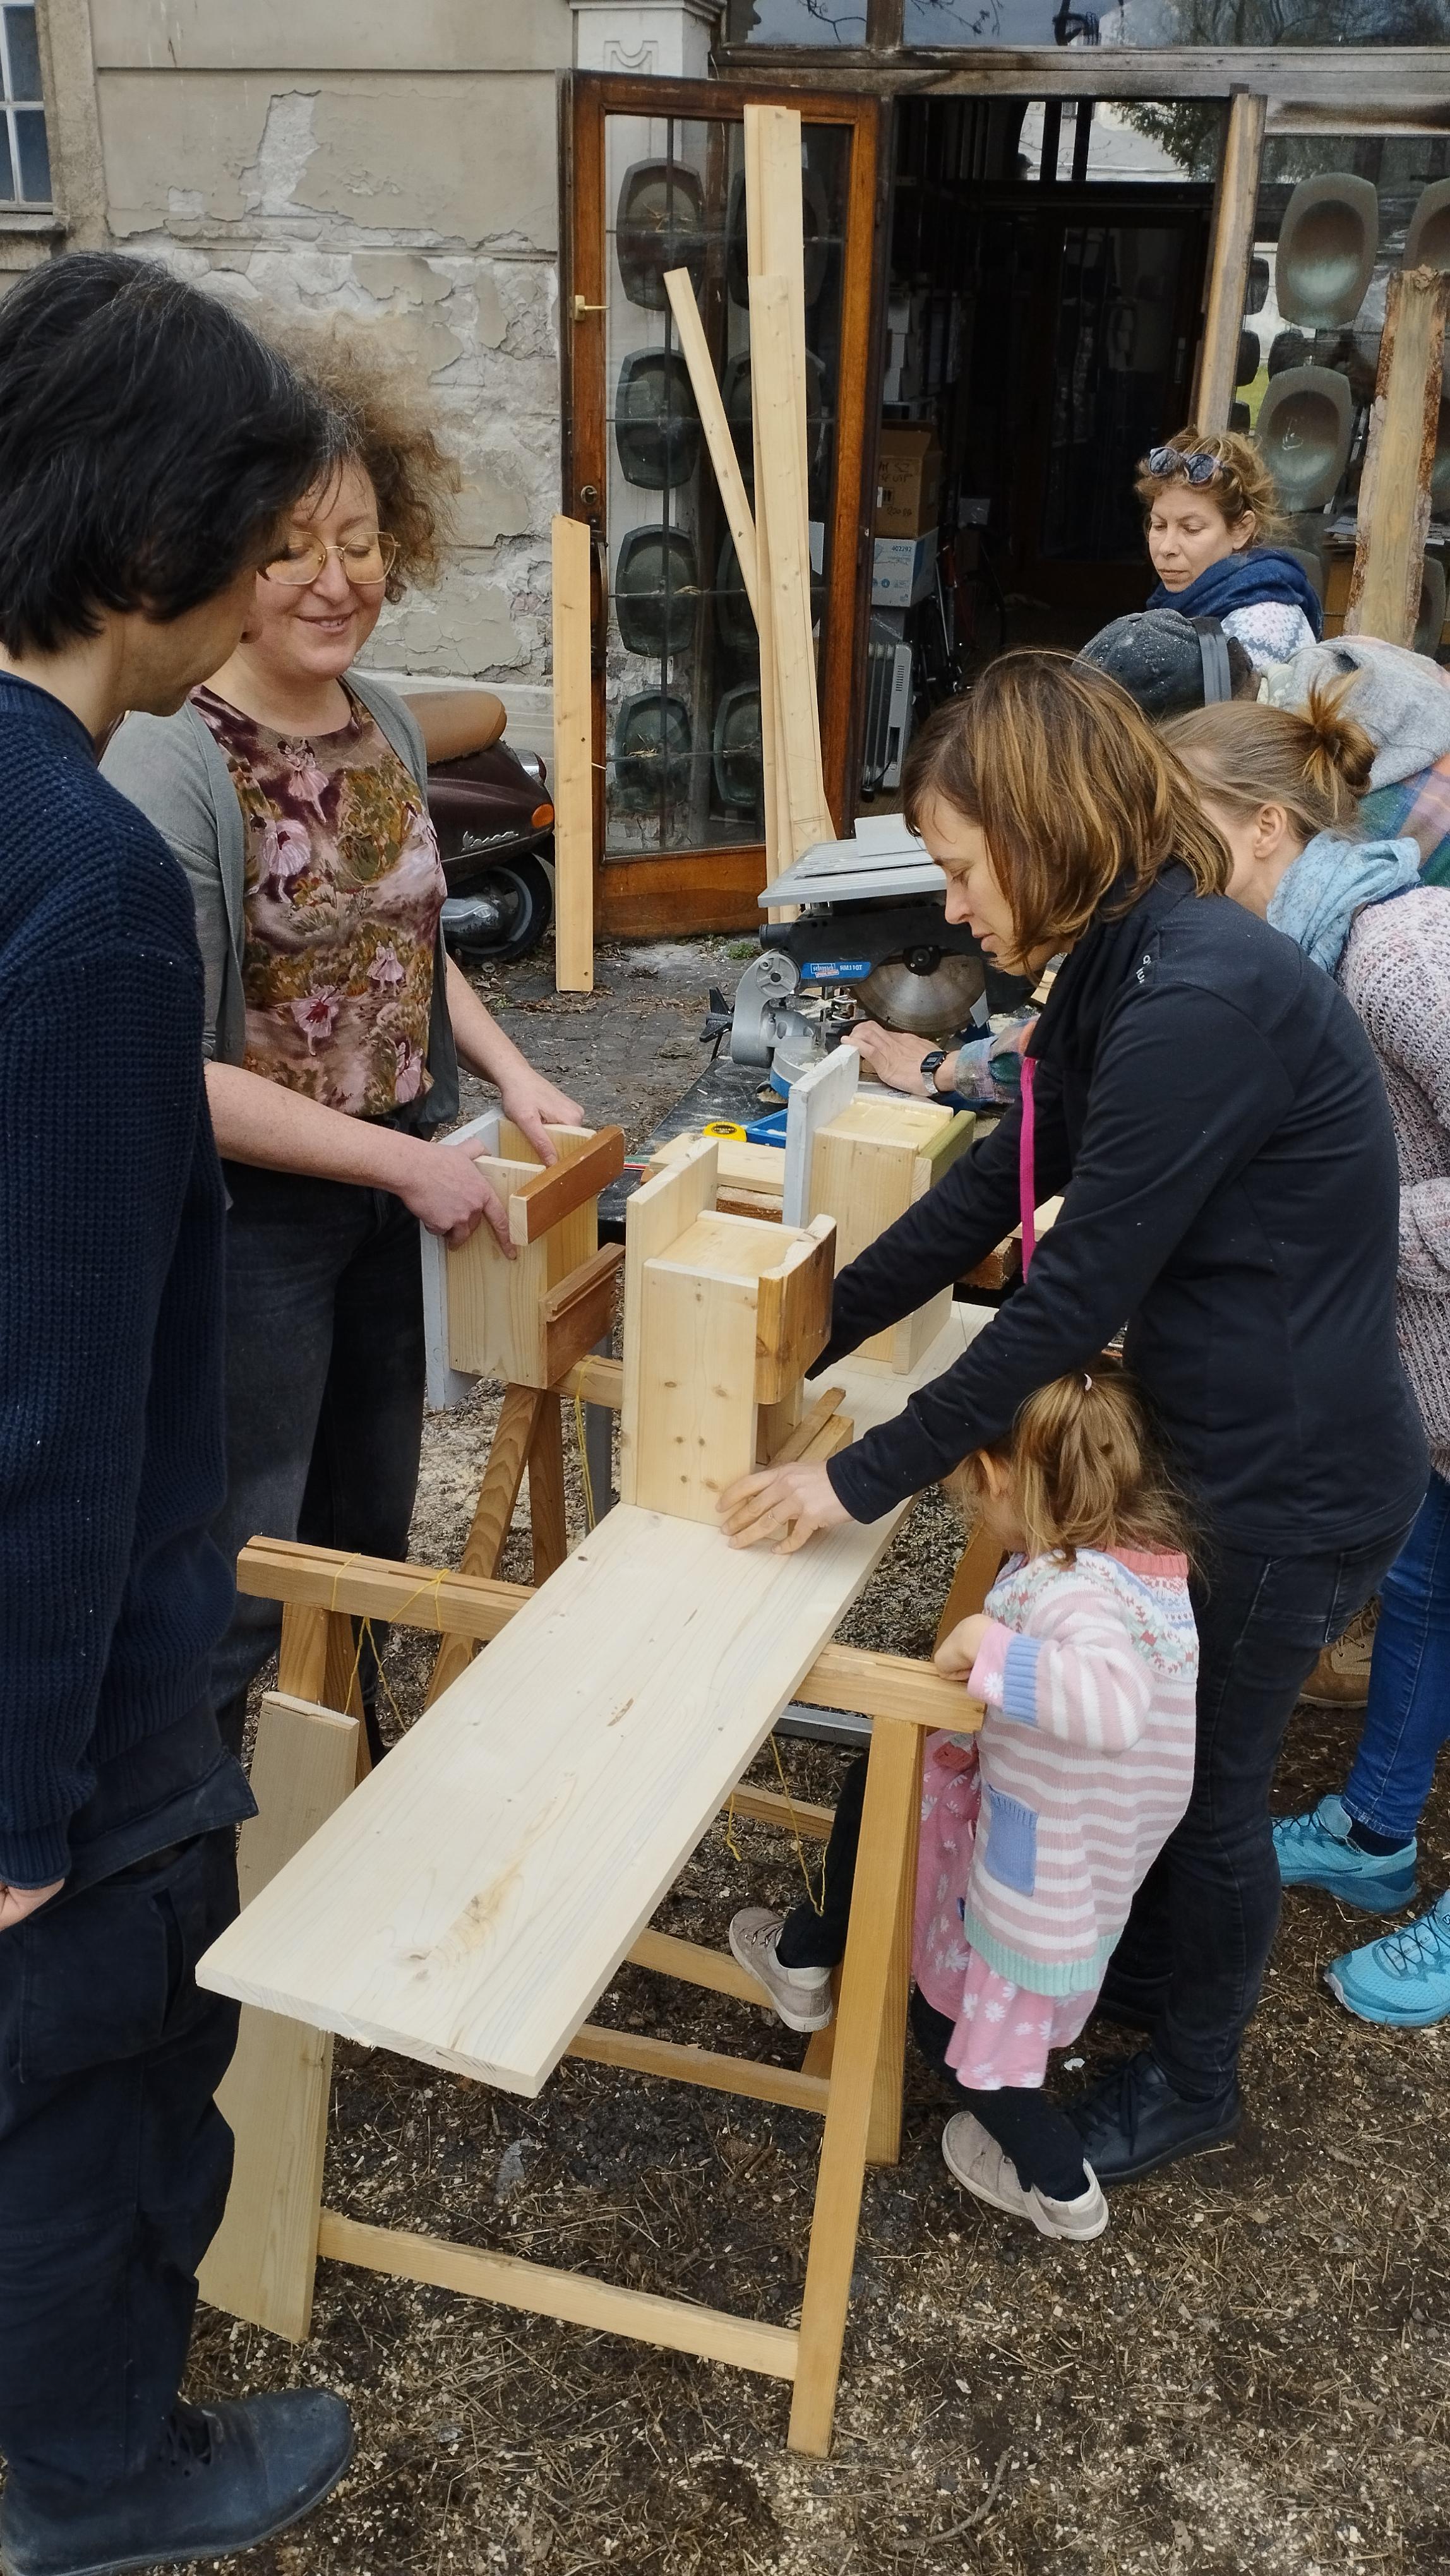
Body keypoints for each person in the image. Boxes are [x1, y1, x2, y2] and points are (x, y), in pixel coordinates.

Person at [717, 652, 1425, 2188]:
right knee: (1175, 1763)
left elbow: (1060, 1290)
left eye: (965, 870)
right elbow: (996, 1178)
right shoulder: (1123, 959)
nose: (958, 909)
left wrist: (855, 1474)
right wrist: (806, 1324)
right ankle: (1130, 1986)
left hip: (1293, 1472)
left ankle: (1190, 2075)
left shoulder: (1205, 997)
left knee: (1210, 1778)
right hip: (1220, 1434)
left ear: (1041, 828)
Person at [0, 254, 353, 2576]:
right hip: (64, 1706)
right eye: (251, 529)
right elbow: (52, 1397)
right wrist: (30, 1787)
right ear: (149, 542)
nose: (270, 581)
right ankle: (96, 2473)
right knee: (94, 2084)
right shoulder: (94, 886)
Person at [103, 331, 582, 1767]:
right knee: (244, 1559)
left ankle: (348, 1791)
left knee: (368, 1527)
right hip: (253, 1224)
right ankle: (201, 1852)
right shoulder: (172, 752)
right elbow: (169, 1063)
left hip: (393, 1183)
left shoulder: (379, 721)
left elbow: (399, 935)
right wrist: (401, 1164)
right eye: (293, 544)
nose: (335, 577)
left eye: (363, 541)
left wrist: (506, 1069)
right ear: (222, 554)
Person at [730, 1362, 1197, 2243]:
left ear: (1004, 1481)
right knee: (888, 1775)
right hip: (1079, 1856)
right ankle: (806, 1949)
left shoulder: (1075, 1595)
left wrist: (991, 1645)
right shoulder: (1145, 1573)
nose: (977, 1514)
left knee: (970, 2056)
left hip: (1041, 1890)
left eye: (975, 1496)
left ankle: (1063, 2191)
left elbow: (1113, 1703)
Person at [1166, 684, 1450, 2029]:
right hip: (1432, 1378)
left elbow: (1350, 1196)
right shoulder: (1308, 954)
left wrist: (1338, 1227)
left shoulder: (1398, 955)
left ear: (1265, 830)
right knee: (1425, 1592)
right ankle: (1376, 1832)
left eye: (1181, 836)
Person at [1137, 427, 1322, 671]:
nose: (1167, 547)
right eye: (1159, 525)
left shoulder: (1260, 627)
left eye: (1191, 529)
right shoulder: (1183, 601)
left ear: (1241, 529)